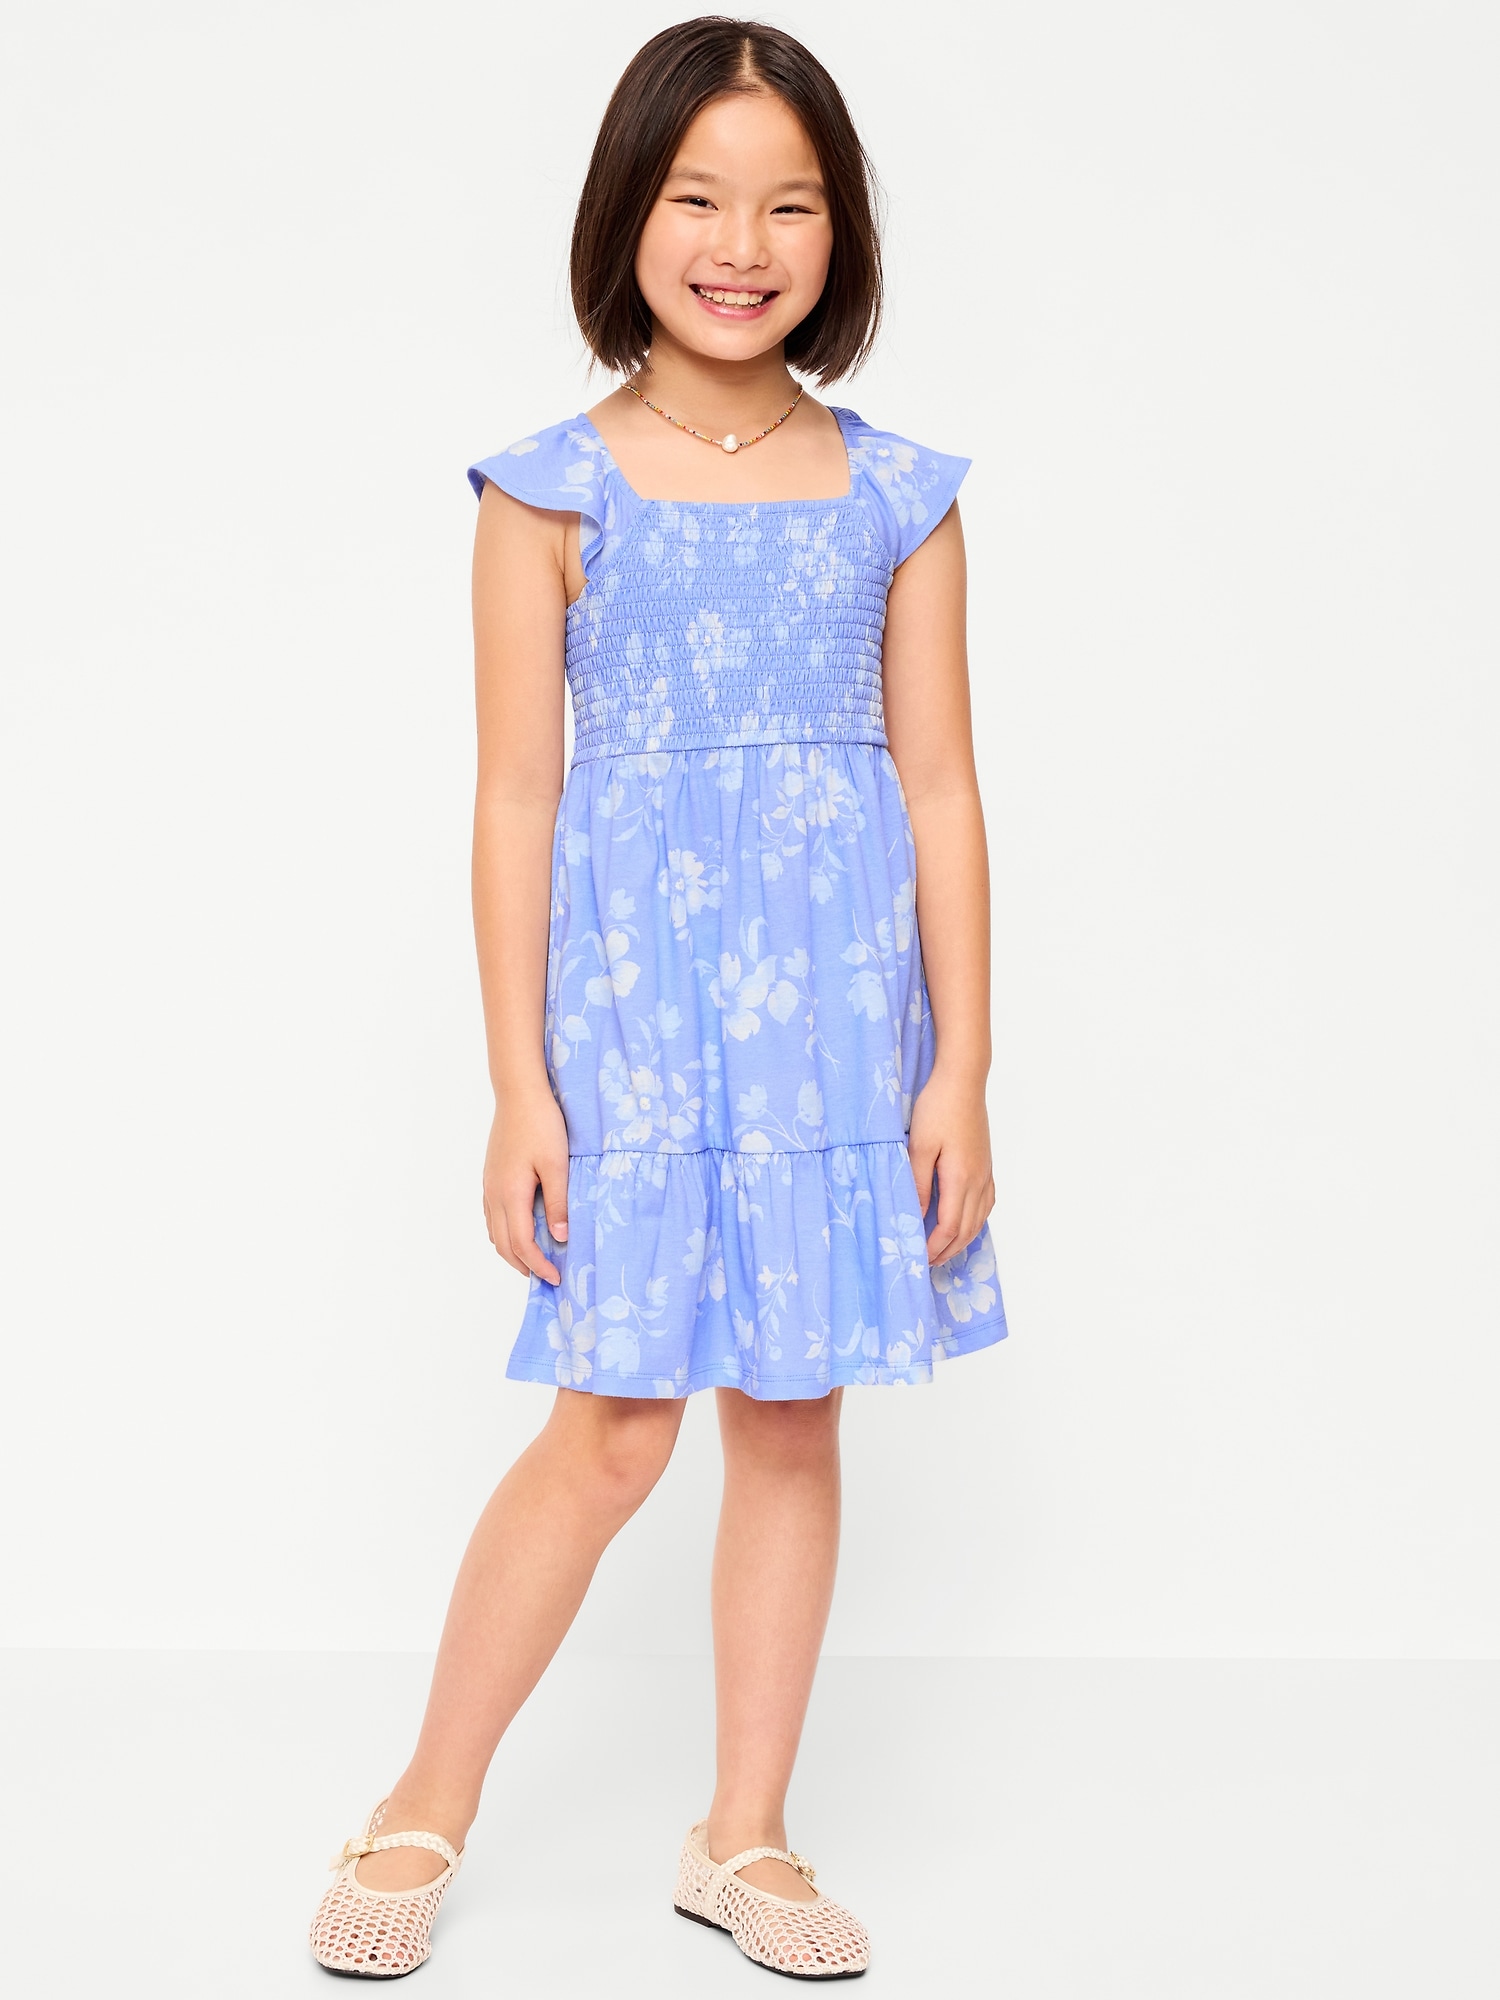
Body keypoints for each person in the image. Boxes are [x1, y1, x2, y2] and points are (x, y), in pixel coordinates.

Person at [310, 15, 1008, 1982]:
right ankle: (422, 1798)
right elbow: (515, 797)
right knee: (613, 1426)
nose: (741, 243)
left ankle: (744, 1832)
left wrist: (962, 1066)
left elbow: (943, 790)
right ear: (628, 212)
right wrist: (518, 1086)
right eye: (700, 197)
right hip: (631, 1021)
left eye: (791, 204)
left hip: (831, 1027)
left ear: (841, 233)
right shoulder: (547, 492)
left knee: (789, 1417)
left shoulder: (899, 492)